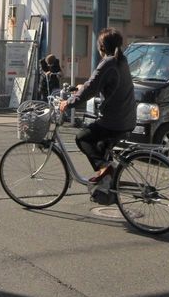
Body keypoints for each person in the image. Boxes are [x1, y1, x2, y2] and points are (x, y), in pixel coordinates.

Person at [58, 28, 135, 199]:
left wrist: (67, 103)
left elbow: (91, 89)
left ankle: (105, 171)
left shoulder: (108, 62)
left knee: (82, 138)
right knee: (100, 147)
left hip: (115, 120)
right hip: (127, 118)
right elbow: (96, 83)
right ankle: (106, 187)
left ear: (101, 47)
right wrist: (81, 88)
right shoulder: (121, 61)